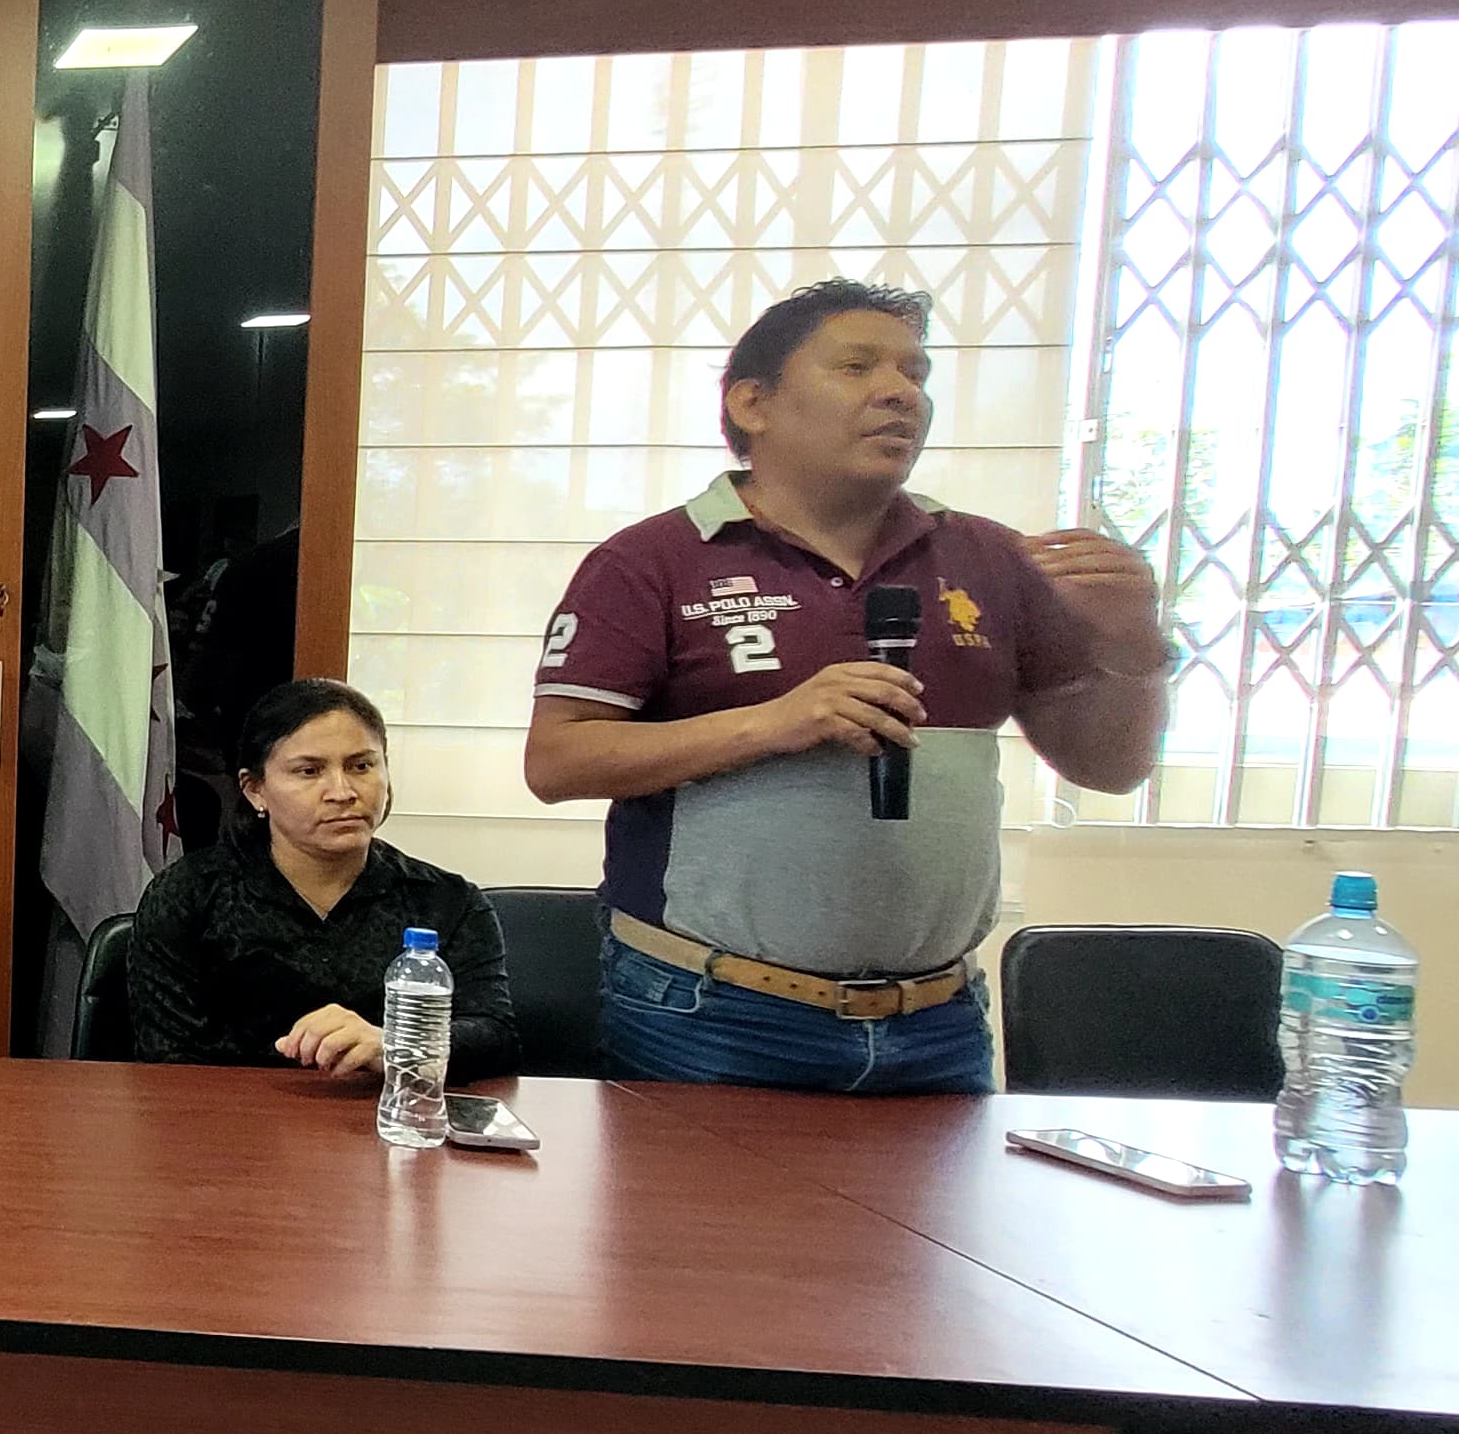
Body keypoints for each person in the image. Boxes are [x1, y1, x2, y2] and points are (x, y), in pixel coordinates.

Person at [525, 279, 1171, 1092]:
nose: (901, 393)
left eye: (916, 374)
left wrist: (1135, 645)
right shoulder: (654, 561)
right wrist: (775, 724)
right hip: (711, 1011)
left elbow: (1110, 768)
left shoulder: (991, 558)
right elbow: (557, 761)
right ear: (753, 403)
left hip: (937, 1019)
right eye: (858, 367)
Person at [115, 678, 514, 1077]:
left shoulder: (447, 901)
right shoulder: (189, 895)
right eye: (309, 771)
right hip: (227, 1113)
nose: (342, 792)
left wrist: (395, 1045)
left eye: (361, 766)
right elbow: (166, 1060)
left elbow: (496, 1039)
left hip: (382, 1110)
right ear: (255, 790)